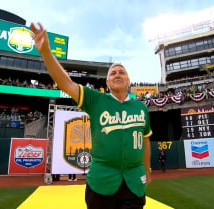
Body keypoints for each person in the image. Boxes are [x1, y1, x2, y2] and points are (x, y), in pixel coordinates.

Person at [30, 22, 152, 209]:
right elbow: (67, 84)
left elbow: (145, 141)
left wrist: (147, 169)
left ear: (128, 80)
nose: (117, 75)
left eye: (122, 72)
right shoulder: (96, 99)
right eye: (113, 73)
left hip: (134, 181)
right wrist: (46, 52)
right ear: (107, 81)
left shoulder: (140, 107)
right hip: (101, 180)